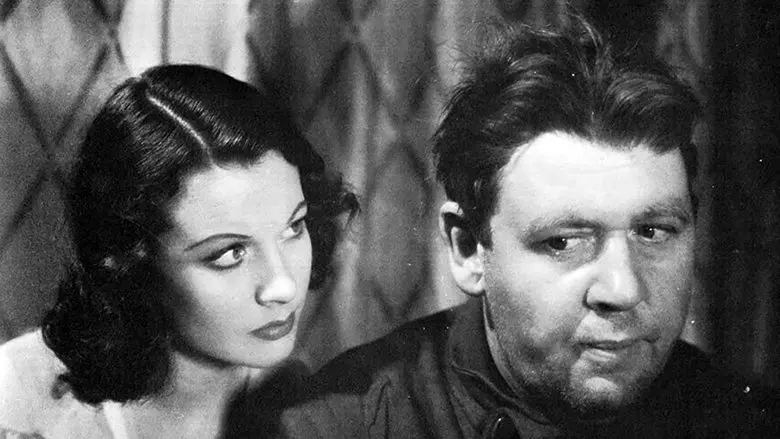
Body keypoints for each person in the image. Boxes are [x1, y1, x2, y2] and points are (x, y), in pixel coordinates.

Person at [266, 17, 779, 439]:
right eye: (564, 242)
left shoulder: (752, 423)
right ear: (468, 249)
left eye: (653, 232)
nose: (622, 289)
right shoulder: (336, 428)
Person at [0, 64, 357, 438]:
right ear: (133, 264)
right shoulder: (16, 401)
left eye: (293, 228)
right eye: (230, 253)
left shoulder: (305, 402)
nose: (282, 286)